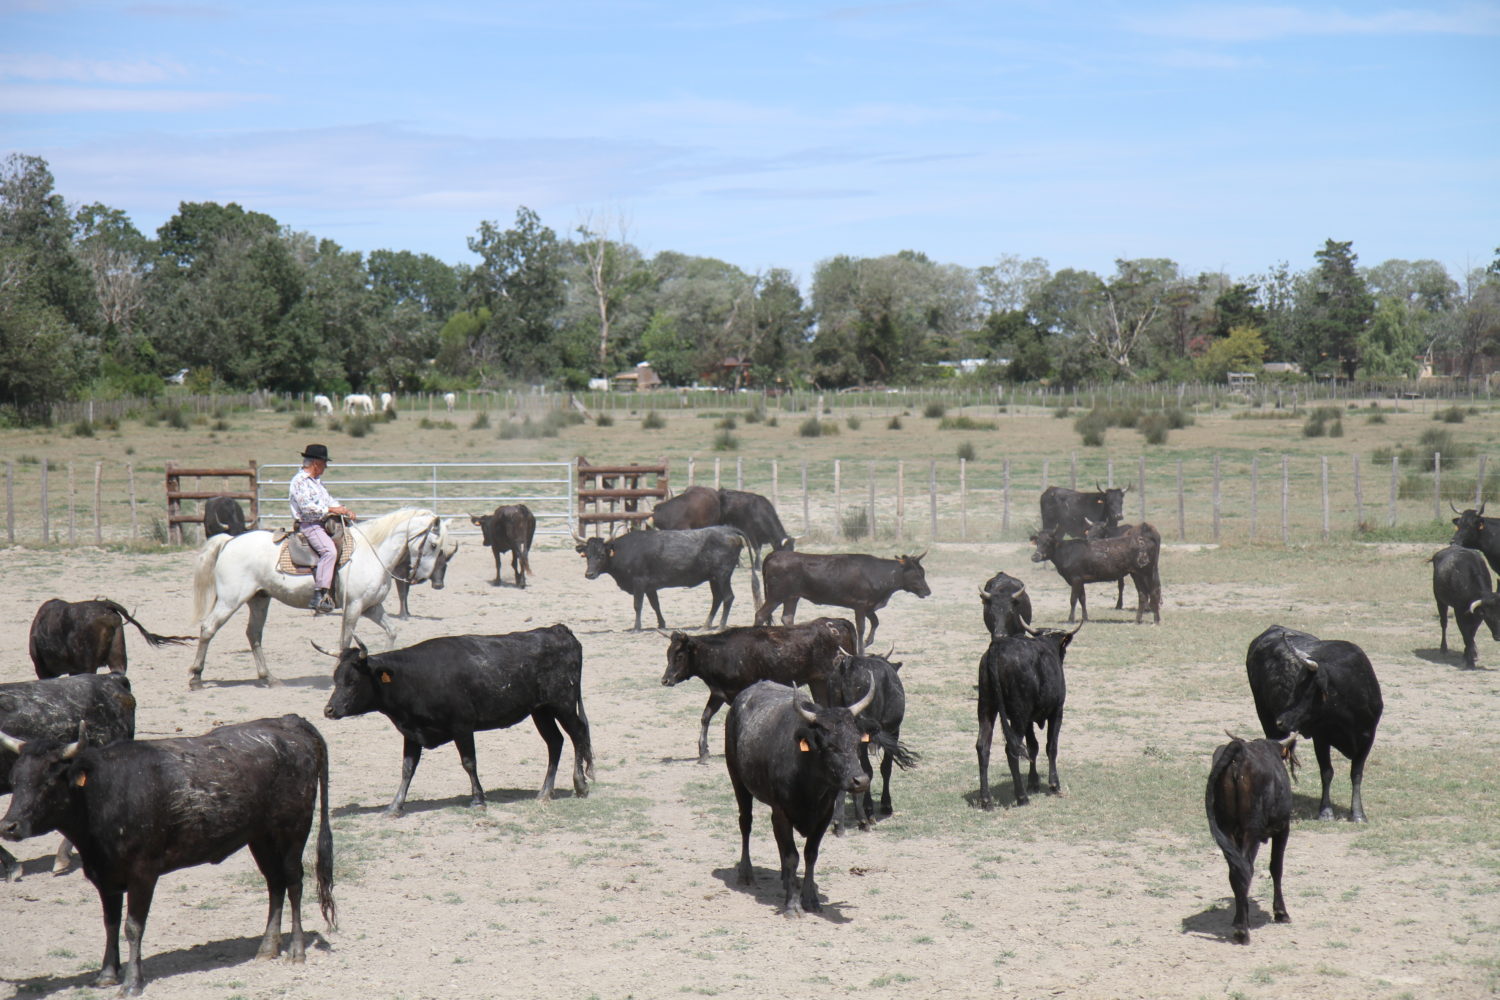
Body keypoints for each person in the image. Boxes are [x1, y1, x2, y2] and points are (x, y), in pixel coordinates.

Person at [288, 443, 356, 614]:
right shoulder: (299, 482)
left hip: (323, 522)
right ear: (316, 463)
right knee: (329, 551)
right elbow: (307, 508)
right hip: (310, 524)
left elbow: (328, 500)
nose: (326, 466)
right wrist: (333, 510)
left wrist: (344, 509)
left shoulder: (316, 483)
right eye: (325, 462)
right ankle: (320, 593)